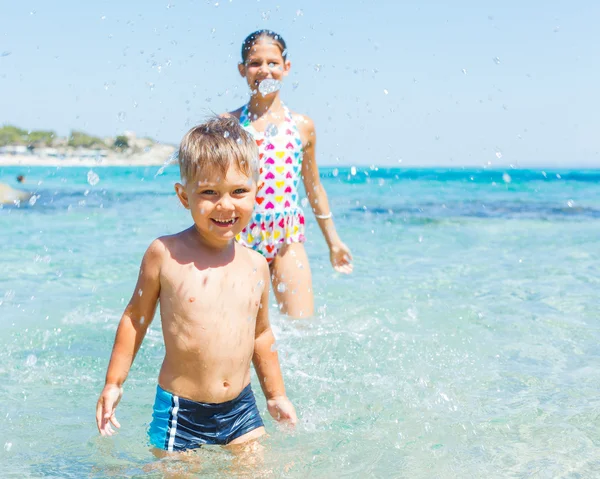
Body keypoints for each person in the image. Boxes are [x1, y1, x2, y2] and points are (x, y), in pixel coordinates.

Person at [96, 116, 297, 454]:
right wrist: (114, 383)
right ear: (183, 196)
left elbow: (261, 335)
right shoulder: (165, 253)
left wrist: (276, 395)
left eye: (239, 191)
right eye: (209, 193)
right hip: (182, 411)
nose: (225, 205)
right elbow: (135, 318)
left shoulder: (256, 265)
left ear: (256, 193)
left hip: (241, 408)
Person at [225, 30, 353, 319]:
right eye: (255, 63)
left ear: (286, 67)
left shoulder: (302, 126)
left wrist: (334, 242)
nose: (265, 69)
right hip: (240, 239)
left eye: (273, 62)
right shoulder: (229, 125)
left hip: (286, 238)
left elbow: (313, 186)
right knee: (238, 333)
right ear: (242, 69)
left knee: (301, 330)